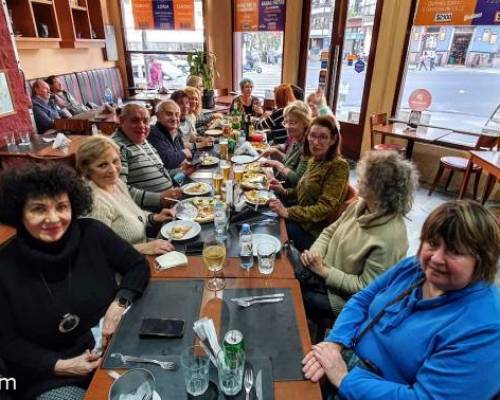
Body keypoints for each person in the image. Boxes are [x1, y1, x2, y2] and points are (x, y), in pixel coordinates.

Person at [302, 200, 500, 399]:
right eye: (432, 243)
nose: (436, 258)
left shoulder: (485, 328)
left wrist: (345, 379)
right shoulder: (415, 267)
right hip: (342, 360)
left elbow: (425, 397)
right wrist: (335, 343)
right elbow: (363, 298)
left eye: (455, 251)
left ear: (483, 261)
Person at [0, 163, 150, 400]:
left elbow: (137, 265)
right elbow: (7, 343)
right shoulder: (5, 266)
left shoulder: (92, 233)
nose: (53, 218)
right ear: (18, 212)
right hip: (50, 375)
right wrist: (62, 365)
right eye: (38, 209)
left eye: (62, 207)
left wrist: (119, 302)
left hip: (113, 346)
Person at [300, 151, 418, 322]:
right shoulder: (360, 205)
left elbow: (366, 288)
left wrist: (325, 272)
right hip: (324, 275)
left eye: (365, 178)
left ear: (379, 189)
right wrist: (314, 253)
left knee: (296, 295)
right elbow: (328, 232)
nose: (359, 180)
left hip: (345, 301)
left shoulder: (390, 237)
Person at [76, 135, 175, 255]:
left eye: (115, 161)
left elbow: (131, 214)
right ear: (87, 169)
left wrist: (153, 217)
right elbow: (98, 252)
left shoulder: (115, 183)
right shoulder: (95, 203)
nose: (113, 170)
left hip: (141, 254)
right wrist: (144, 248)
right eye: (102, 165)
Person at [269, 115, 349, 251]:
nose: (316, 142)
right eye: (312, 135)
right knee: (267, 215)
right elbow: (303, 189)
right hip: (302, 221)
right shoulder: (314, 159)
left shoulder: (338, 166)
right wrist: (283, 190)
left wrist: (288, 212)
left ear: (333, 140)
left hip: (314, 233)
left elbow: (325, 208)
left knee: (273, 230)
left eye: (323, 137)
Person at [111, 103, 182, 211]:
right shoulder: (116, 147)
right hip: (151, 215)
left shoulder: (143, 141)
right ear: (121, 121)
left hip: (170, 206)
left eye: (145, 121)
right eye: (135, 120)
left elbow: (161, 175)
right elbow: (118, 189)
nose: (141, 126)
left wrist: (183, 172)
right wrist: (158, 199)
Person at [261, 101, 311, 187]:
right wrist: (275, 151)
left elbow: (296, 179)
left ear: (305, 123)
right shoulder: (294, 139)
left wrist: (276, 164)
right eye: (285, 122)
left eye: (292, 123)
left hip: (289, 195)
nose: (287, 127)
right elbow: (288, 162)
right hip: (282, 184)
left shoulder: (308, 146)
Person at [148, 100, 194, 176]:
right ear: (158, 115)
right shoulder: (153, 132)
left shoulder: (175, 131)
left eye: (177, 115)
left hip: (177, 177)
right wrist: (185, 152)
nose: (174, 118)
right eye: (169, 114)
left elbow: (181, 161)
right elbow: (168, 161)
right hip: (165, 183)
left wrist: (181, 159)